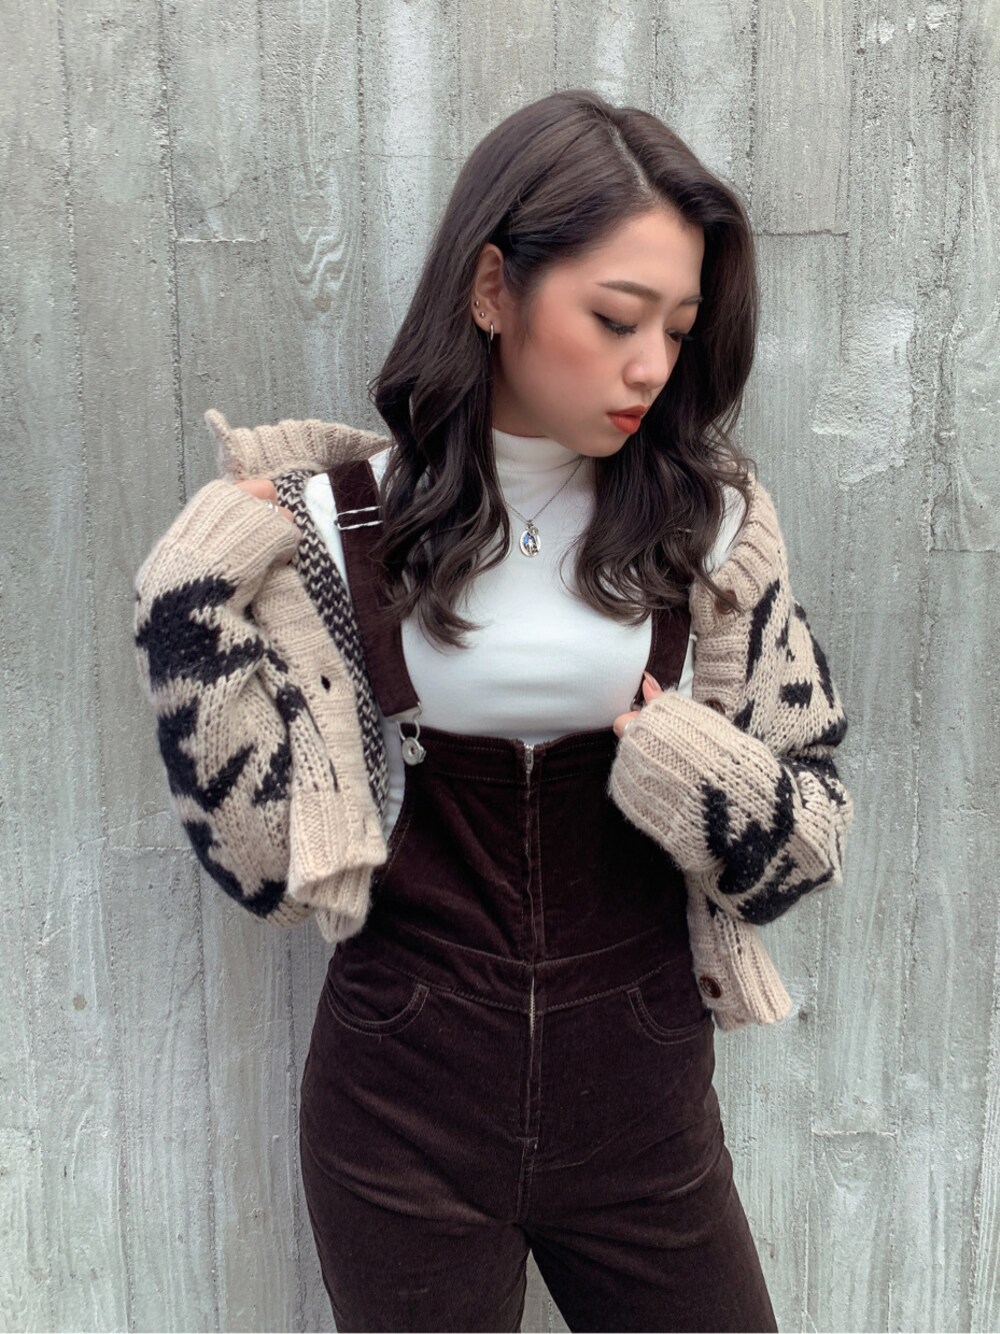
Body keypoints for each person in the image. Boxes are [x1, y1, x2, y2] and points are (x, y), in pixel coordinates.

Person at [134, 89, 854, 1333]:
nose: (650, 366)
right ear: (490, 289)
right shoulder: (331, 530)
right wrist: (188, 583)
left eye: (677, 329)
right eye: (615, 317)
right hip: (396, 1103)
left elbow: (808, 843)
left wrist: (685, 762)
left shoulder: (714, 530)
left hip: (643, 1103)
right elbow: (263, 866)